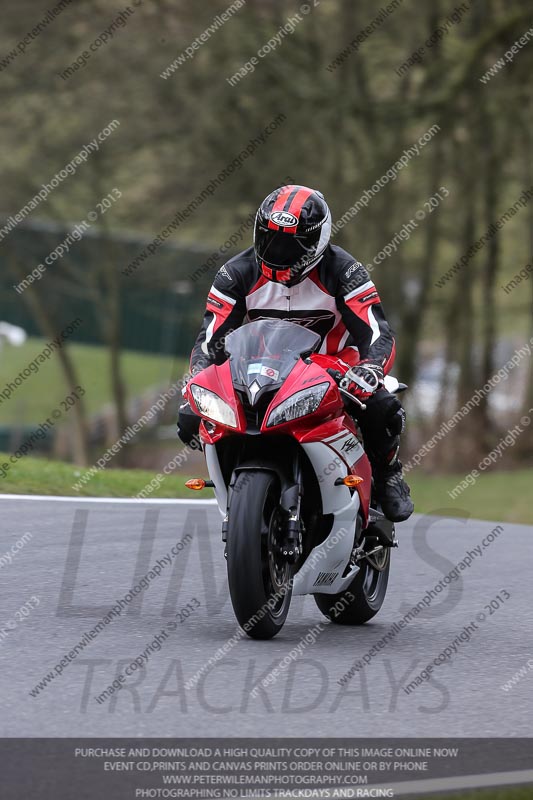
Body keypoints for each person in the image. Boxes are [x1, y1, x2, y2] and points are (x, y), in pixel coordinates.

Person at [178, 184, 413, 522]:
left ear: (317, 241)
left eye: (291, 244)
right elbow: (210, 340)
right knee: (189, 417)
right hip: (262, 366)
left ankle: (389, 474)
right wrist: (196, 381)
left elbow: (377, 331)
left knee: (381, 405)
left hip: (335, 365)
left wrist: (371, 369)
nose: (278, 251)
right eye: (270, 238)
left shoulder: (345, 271)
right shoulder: (235, 272)